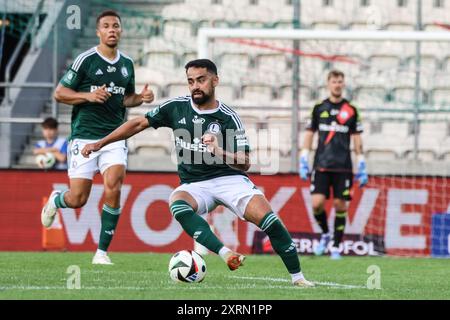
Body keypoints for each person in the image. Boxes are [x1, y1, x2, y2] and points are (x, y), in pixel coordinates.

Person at [81, 59, 314, 287]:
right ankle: (225, 254)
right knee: (177, 203)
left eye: (201, 80)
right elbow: (137, 124)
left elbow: (245, 163)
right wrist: (101, 143)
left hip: (230, 179)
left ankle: (298, 278)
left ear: (215, 81)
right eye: (191, 81)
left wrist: (219, 151)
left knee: (271, 222)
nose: (195, 86)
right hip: (194, 184)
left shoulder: (228, 118)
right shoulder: (176, 107)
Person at [40, 10, 154, 265]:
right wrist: (88, 96)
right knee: (78, 199)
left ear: (121, 30)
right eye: (106, 26)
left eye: (116, 26)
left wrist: (141, 98)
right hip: (83, 138)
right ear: (98, 32)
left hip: (114, 137)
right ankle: (57, 200)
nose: (112, 29)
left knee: (114, 185)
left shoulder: (126, 64)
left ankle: (101, 252)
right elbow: (60, 93)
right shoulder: (86, 60)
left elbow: (126, 98)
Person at [299, 69, 368, 260]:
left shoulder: (351, 110)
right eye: (334, 81)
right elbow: (309, 134)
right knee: (317, 204)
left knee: (340, 205)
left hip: (343, 166)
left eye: (340, 81)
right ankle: (325, 233)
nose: (337, 84)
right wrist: (303, 157)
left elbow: (356, 138)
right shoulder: (319, 108)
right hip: (321, 165)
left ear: (343, 84)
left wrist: (361, 163)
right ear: (328, 84)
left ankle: (336, 247)